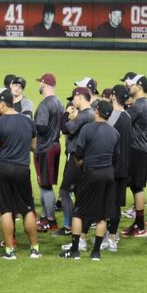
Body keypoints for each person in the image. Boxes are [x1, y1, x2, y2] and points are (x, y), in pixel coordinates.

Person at [0, 89, 40, 260]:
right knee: (27, 209)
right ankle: (35, 249)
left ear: (3, 104)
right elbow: (34, 146)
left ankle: (9, 251)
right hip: (22, 169)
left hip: (3, 169)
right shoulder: (28, 121)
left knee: (6, 210)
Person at [62, 99, 119, 261]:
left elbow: (78, 154)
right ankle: (96, 253)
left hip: (91, 173)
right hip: (108, 174)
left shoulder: (87, 129)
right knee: (102, 215)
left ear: (97, 111)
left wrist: (82, 164)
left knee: (79, 212)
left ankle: (74, 250)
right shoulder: (115, 133)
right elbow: (115, 158)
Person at [121, 74, 147, 238]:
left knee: (137, 186)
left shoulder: (140, 105)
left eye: (131, 85)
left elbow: (122, 120)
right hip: (140, 149)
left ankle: (140, 226)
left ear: (139, 87)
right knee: (136, 187)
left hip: (137, 150)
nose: (129, 88)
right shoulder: (143, 104)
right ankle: (138, 224)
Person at [59, 86, 94, 237]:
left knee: (65, 191)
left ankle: (69, 225)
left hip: (77, 158)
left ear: (80, 97)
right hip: (83, 157)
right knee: (79, 192)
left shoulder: (85, 115)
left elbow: (65, 129)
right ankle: (80, 227)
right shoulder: (90, 113)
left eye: (74, 98)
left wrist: (66, 113)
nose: (72, 101)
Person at [102, 85, 132, 253]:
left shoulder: (113, 116)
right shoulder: (127, 116)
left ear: (113, 97)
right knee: (116, 205)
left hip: (111, 166)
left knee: (109, 204)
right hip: (124, 166)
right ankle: (112, 236)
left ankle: (110, 238)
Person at [33, 73, 64, 232]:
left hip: (45, 147)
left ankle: (50, 220)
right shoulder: (59, 102)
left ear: (44, 84)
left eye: (40, 83)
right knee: (45, 184)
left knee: (45, 185)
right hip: (55, 145)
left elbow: (42, 127)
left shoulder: (45, 104)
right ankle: (45, 217)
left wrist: (31, 125)